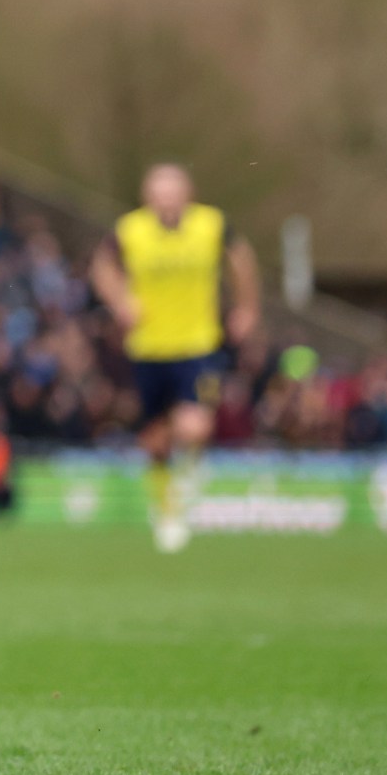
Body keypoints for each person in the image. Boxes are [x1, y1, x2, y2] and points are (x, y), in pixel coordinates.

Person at [90, 161, 261, 552]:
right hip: (147, 347)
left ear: (188, 194)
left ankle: (192, 470)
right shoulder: (131, 230)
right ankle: (167, 512)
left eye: (172, 193)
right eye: (158, 194)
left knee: (195, 424)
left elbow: (242, 260)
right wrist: (121, 300)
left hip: (197, 343)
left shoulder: (211, 225)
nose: (165, 201)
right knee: (154, 440)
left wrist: (246, 307)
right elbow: (101, 266)